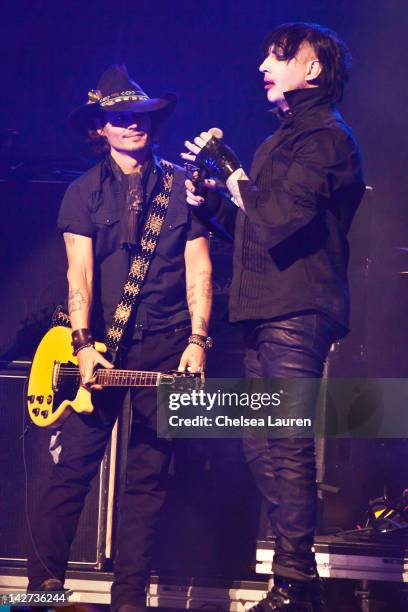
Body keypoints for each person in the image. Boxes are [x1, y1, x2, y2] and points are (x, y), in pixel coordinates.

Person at [182, 22, 365, 611]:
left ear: (312, 71)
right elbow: (257, 229)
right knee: (259, 445)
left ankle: (291, 586)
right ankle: (298, 584)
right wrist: (213, 201)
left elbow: (279, 215)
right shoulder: (279, 141)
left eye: (279, 55)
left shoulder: (327, 139)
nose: (264, 63)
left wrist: (235, 178)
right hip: (263, 311)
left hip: (299, 312)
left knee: (285, 444)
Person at [27, 64, 212, 612]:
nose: (133, 125)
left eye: (141, 116)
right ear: (100, 129)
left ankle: (129, 600)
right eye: (120, 118)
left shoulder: (184, 187)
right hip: (101, 347)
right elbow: (78, 274)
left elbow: (199, 269)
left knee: (150, 478)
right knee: (70, 475)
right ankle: (40, 595)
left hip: (169, 342)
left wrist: (199, 339)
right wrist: (83, 344)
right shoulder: (82, 193)